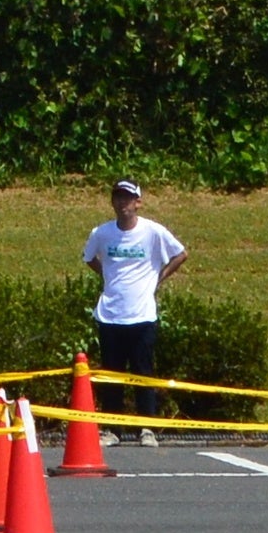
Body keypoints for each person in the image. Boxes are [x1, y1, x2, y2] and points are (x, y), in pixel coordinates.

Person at [79, 179, 185, 446]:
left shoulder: (153, 232)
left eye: (128, 198)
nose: (123, 203)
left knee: (143, 372)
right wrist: (106, 276)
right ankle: (112, 430)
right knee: (111, 373)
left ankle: (146, 428)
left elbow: (180, 254)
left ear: (138, 202)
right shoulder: (102, 233)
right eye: (118, 198)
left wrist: (157, 279)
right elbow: (89, 257)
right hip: (110, 315)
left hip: (142, 315)